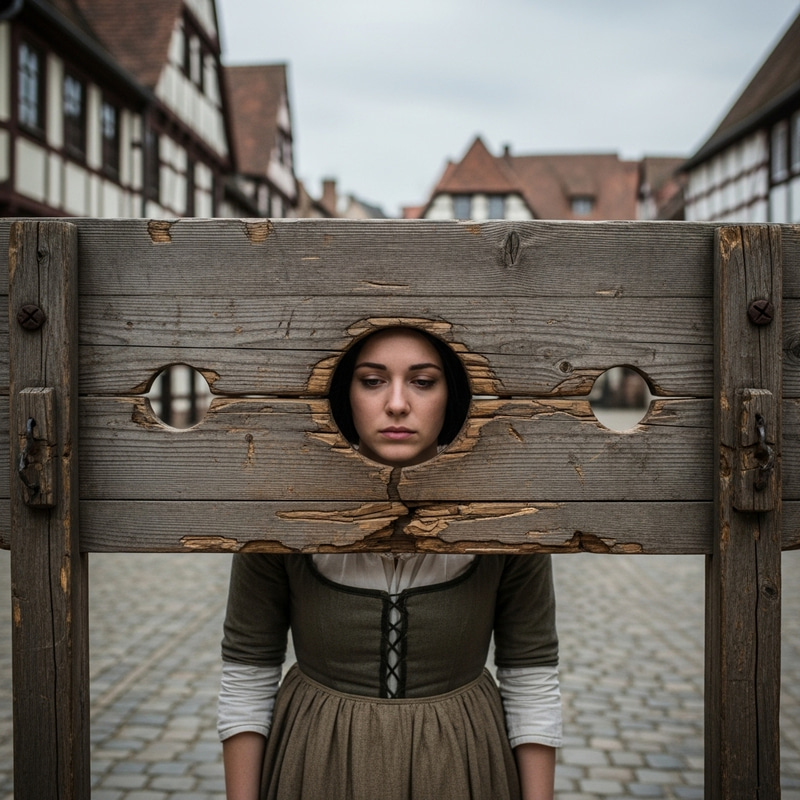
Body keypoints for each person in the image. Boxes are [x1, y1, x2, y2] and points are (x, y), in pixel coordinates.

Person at [218, 326, 561, 800]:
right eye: (372, 380)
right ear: (343, 390)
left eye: (423, 381)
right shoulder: (280, 511)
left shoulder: (509, 516)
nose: (397, 403)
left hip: (461, 764)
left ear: (453, 391)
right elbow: (247, 674)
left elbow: (531, 677)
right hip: (317, 762)